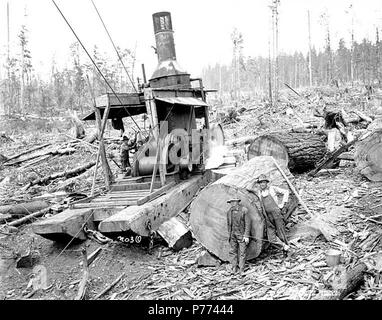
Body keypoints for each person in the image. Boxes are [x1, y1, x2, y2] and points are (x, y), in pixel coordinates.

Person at [255, 174, 290, 253]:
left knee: (281, 233)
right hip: (267, 217)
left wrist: (282, 204)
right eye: (260, 183)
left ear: (267, 183)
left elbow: (286, 192)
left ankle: (287, 251)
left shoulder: (272, 189)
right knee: (271, 237)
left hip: (276, 214)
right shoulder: (259, 193)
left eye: (263, 182)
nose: (262, 184)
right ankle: (283, 246)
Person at [226, 198, 251, 276]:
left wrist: (246, 235)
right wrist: (229, 234)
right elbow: (228, 224)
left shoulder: (244, 210)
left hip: (241, 234)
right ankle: (234, 268)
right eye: (231, 202)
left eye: (234, 201)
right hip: (233, 234)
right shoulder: (229, 211)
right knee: (232, 251)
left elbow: (248, 224)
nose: (232, 203)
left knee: (242, 252)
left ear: (237, 202)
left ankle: (241, 269)